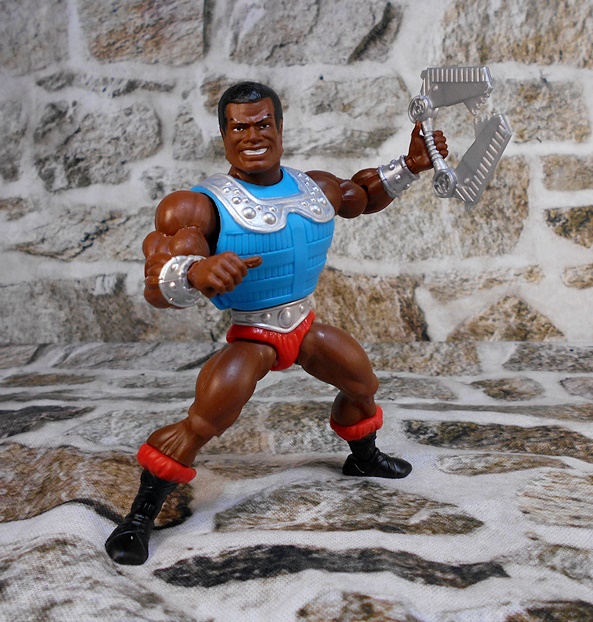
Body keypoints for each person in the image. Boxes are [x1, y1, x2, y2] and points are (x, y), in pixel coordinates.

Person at [106, 81, 448, 565]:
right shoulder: (197, 207)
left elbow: (363, 195)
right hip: (253, 335)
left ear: (280, 128)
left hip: (304, 326)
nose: (252, 136)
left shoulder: (315, 187)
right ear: (224, 135)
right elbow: (156, 286)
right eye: (239, 127)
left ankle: (364, 457)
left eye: (263, 124)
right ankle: (140, 516)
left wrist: (411, 164)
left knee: (362, 383)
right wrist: (194, 272)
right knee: (204, 421)